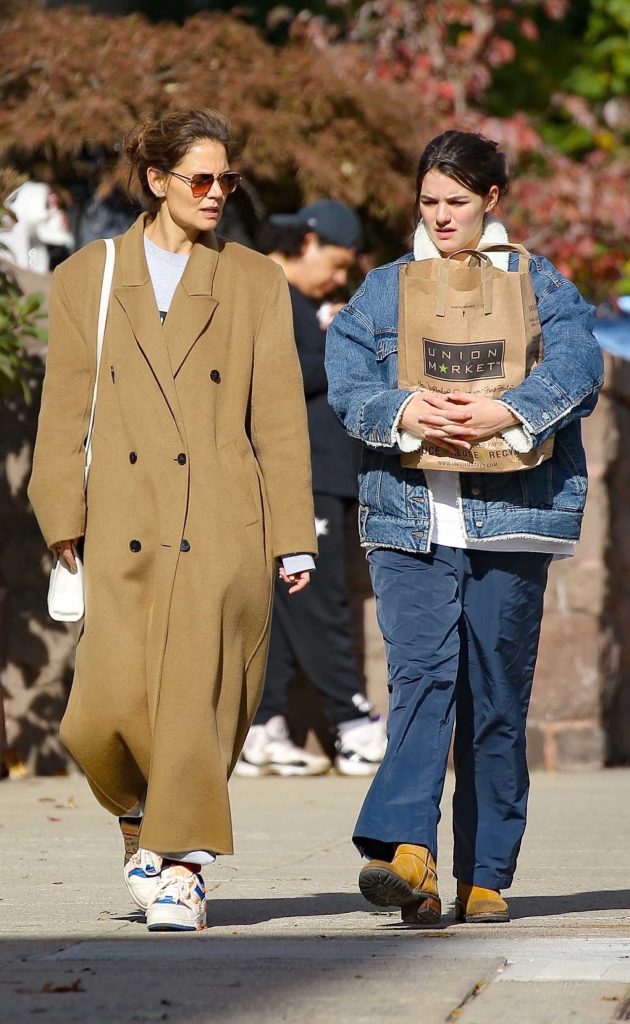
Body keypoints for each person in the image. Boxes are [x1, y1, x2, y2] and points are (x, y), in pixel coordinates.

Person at [28, 108, 317, 932]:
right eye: (202, 178)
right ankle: (139, 828)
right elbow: (63, 411)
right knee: (97, 716)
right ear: (156, 182)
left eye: (228, 179)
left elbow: (280, 420)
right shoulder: (89, 274)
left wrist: (293, 531)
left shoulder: (255, 279)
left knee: (198, 702)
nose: (218, 192)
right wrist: (61, 513)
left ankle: (186, 866)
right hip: (118, 516)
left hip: (224, 517)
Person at [325, 130, 603, 925]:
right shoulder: (385, 290)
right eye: (429, 202)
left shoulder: (540, 284)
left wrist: (505, 411)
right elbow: (347, 379)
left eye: (457, 201)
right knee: (420, 681)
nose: (441, 215)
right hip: (409, 519)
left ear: (492, 199)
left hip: (513, 521)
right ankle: (407, 854)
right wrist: (404, 410)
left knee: (495, 697)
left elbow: (581, 367)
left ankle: (485, 873)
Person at [235, 201, 387, 779]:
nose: (340, 278)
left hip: (319, 474)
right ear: (309, 240)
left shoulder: (296, 301)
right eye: (339, 263)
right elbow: (267, 377)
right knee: (319, 602)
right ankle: (352, 727)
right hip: (301, 475)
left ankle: (261, 726)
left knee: (287, 602)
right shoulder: (262, 289)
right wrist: (340, 349)